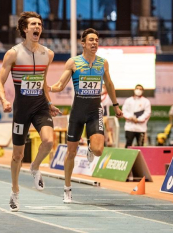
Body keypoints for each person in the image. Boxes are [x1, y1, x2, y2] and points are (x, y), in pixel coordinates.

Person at [0, 11, 61, 212]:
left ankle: (34, 167)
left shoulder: (47, 54)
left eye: (40, 24)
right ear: (25, 29)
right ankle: (15, 190)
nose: (38, 27)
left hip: (40, 106)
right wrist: (4, 100)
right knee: (17, 155)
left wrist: (49, 103)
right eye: (33, 24)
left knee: (49, 141)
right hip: (22, 109)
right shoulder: (13, 53)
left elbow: (43, 82)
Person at [49, 28, 122, 203]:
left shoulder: (103, 63)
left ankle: (89, 147)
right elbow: (59, 85)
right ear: (83, 43)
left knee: (98, 150)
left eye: (96, 40)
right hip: (77, 112)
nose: (94, 43)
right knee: (71, 153)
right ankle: (67, 189)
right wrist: (45, 88)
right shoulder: (73, 63)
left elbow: (110, 85)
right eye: (91, 40)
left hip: (95, 111)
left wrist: (116, 105)